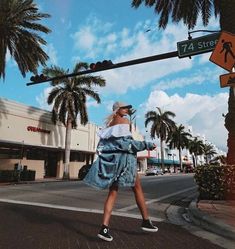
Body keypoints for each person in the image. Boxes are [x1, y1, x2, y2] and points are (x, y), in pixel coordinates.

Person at [84, 101, 158, 242]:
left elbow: (106, 146)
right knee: (137, 189)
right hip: (126, 163)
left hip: (115, 163)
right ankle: (146, 221)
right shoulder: (124, 121)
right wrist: (147, 145)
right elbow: (127, 144)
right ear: (117, 109)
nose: (127, 110)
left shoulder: (110, 124)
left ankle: (104, 228)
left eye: (128, 108)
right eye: (124, 108)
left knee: (112, 193)